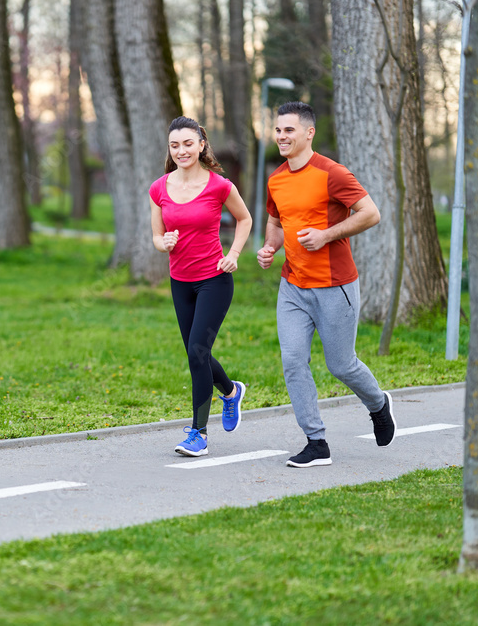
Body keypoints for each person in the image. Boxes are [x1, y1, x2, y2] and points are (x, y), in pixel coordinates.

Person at [256, 101, 396, 468]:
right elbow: (275, 221)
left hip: (335, 286)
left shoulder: (332, 173)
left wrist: (327, 235)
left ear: (308, 132)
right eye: (278, 130)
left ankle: (379, 404)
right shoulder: (276, 179)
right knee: (292, 361)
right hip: (293, 287)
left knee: (341, 364)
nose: (281, 136)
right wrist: (270, 247)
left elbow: (371, 213)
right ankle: (316, 442)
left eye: (289, 130)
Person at [150, 116, 253, 457]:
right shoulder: (159, 188)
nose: (182, 150)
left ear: (202, 144)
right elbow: (156, 236)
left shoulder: (219, 185)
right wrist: (163, 242)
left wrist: (234, 253)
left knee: (197, 352)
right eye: (175, 145)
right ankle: (230, 391)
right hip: (180, 281)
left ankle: (199, 434)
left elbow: (245, 218)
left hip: (214, 279)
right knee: (199, 353)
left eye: (188, 143)